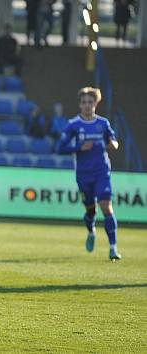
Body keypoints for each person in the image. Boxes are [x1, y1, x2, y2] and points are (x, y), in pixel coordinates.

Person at [57, 87, 121, 261]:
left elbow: (112, 139)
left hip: (102, 171)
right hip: (83, 174)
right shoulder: (73, 124)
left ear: (96, 103)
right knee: (90, 210)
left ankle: (113, 248)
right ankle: (91, 230)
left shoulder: (103, 123)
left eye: (90, 102)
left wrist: (113, 144)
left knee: (106, 205)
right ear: (79, 104)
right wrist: (78, 147)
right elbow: (60, 148)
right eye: (84, 102)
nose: (87, 105)